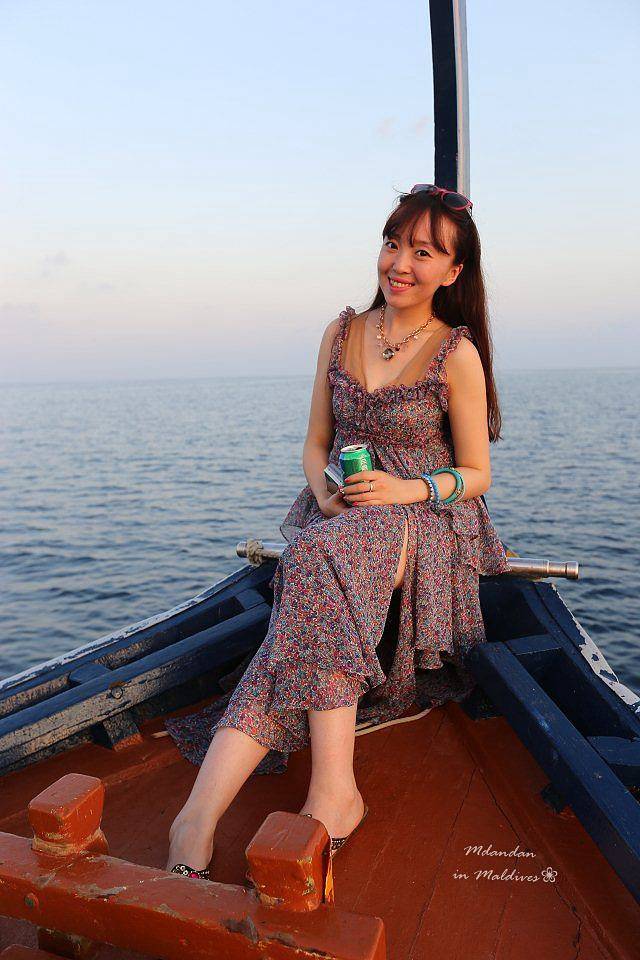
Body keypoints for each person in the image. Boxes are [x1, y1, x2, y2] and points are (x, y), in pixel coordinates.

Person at [164, 183, 511, 879]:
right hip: (342, 514)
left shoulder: (456, 353)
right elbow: (315, 443)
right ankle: (291, 802)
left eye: (423, 252)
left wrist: (406, 488)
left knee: (318, 561)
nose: (400, 263)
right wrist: (324, 491)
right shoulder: (342, 331)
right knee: (322, 563)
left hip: (423, 517)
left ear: (453, 272)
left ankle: (211, 812)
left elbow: (477, 474)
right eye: (393, 244)